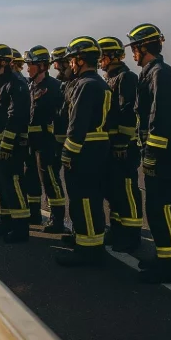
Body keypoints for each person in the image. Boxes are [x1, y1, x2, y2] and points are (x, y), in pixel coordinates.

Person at [127, 23, 171, 284]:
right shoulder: (151, 73)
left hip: (164, 150)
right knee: (155, 206)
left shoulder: (160, 73)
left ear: (143, 47)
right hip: (158, 150)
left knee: (163, 206)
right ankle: (164, 257)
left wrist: (152, 152)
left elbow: (159, 117)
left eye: (134, 48)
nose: (132, 54)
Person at [56, 37, 115, 267]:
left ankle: (88, 251)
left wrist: (68, 153)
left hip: (85, 151)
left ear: (80, 60)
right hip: (96, 149)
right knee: (91, 199)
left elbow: (77, 124)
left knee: (84, 200)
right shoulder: (97, 82)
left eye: (72, 59)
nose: (70, 64)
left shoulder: (85, 85)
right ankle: (87, 242)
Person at [98, 37, 143, 252]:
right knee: (114, 192)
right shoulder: (110, 79)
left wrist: (122, 143)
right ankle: (116, 231)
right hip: (111, 147)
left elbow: (127, 113)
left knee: (127, 191)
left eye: (102, 56)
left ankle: (132, 236)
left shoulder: (126, 78)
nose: (99, 61)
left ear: (112, 56)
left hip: (123, 148)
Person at [0, 44, 31, 242]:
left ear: (3, 62)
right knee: (1, 185)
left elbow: (16, 116)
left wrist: (7, 144)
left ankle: (21, 229)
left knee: (14, 185)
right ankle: (6, 221)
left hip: (9, 147)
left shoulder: (16, 82)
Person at [23, 46, 66, 232]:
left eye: (30, 64)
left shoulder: (56, 87)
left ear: (41, 66)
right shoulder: (29, 87)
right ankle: (33, 213)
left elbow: (62, 118)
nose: (27, 68)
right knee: (30, 178)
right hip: (30, 142)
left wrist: (59, 144)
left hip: (47, 142)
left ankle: (57, 219)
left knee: (50, 180)